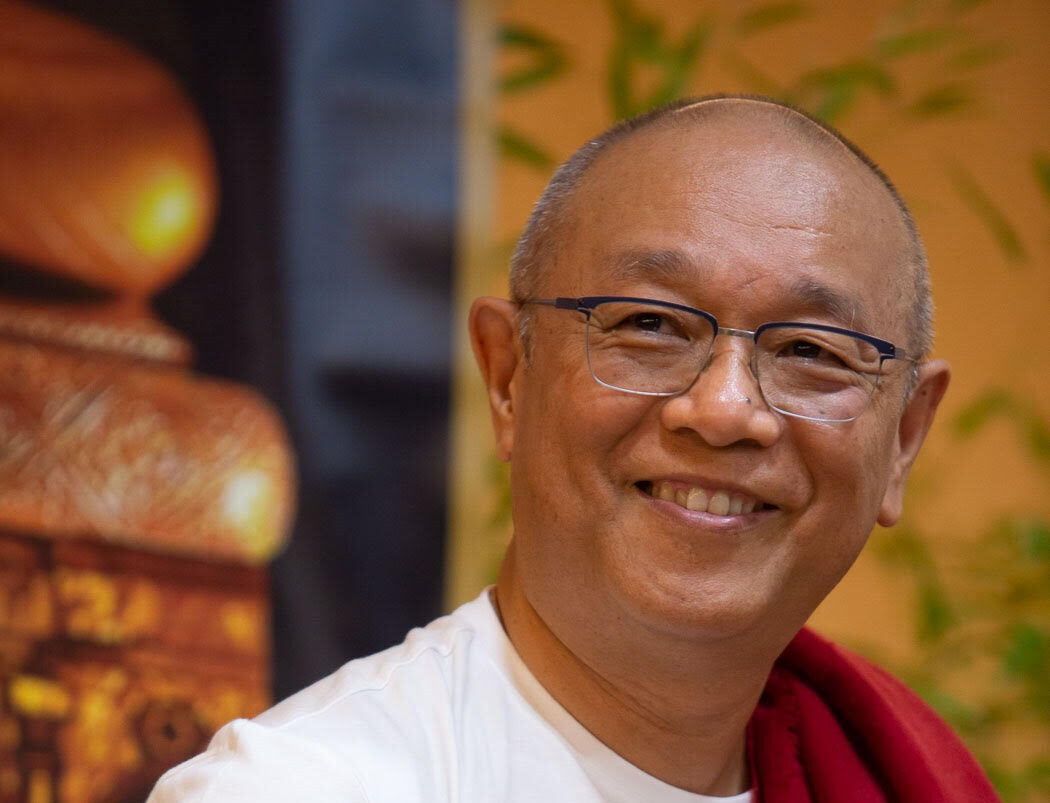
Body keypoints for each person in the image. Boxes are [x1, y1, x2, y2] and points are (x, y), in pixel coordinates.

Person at [149, 95, 999, 802]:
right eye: (650, 325)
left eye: (810, 349)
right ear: (508, 378)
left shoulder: (896, 777)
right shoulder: (307, 785)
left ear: (904, 439)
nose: (724, 410)